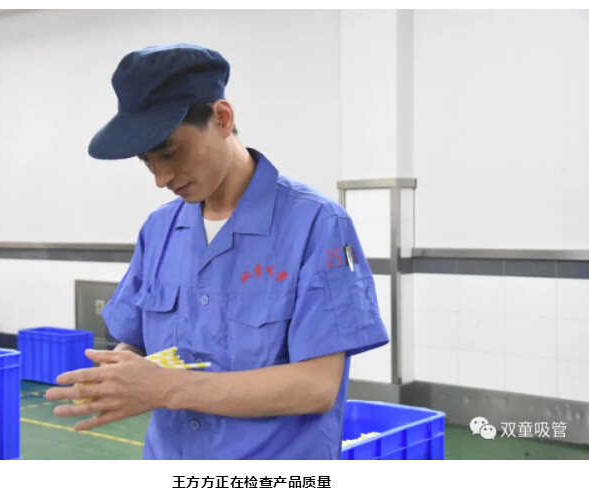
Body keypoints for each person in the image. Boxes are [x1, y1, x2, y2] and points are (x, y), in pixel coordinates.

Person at [45, 43, 389, 460]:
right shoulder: (160, 230)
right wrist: (116, 377)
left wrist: (171, 387)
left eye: (170, 152)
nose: (161, 178)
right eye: (147, 161)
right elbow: (134, 342)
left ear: (222, 119)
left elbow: (317, 386)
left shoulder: (316, 225)